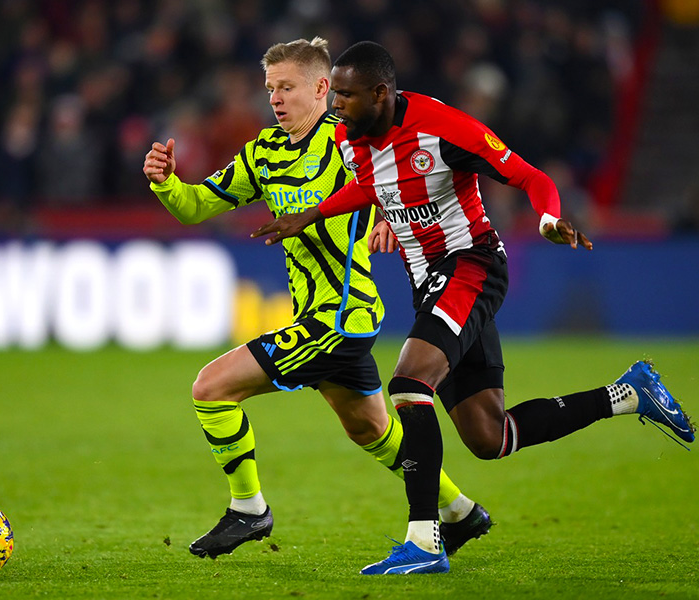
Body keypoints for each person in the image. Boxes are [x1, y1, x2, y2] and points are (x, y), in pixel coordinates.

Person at [252, 41, 695, 575]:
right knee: (490, 437)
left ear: (380, 93)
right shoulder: (351, 136)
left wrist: (547, 219)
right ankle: (629, 394)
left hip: (471, 265)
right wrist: (312, 214)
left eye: (345, 95)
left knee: (409, 383)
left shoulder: (443, 128)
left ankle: (423, 541)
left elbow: (531, 177)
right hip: (429, 282)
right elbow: (371, 187)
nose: (336, 106)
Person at [142, 38, 492, 561]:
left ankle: (248, 509)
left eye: (287, 87)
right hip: (316, 315)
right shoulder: (264, 152)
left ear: (323, 88)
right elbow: (196, 207)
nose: (275, 98)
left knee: (211, 388)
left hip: (341, 318)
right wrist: (167, 183)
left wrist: (388, 220)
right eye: (270, 88)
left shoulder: (349, 141)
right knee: (371, 430)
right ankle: (460, 511)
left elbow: (400, 181)